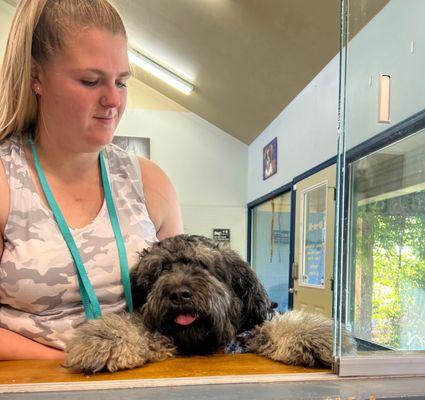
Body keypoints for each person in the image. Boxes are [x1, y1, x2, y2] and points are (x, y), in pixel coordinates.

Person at [0, 0, 183, 361]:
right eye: (90, 81)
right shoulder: (6, 182)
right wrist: (81, 361)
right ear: (36, 77)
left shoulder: (150, 182)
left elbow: (184, 305)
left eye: (122, 82)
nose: (112, 99)